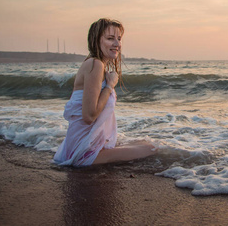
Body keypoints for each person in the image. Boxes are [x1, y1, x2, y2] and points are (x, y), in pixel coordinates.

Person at [54, 18, 157, 166]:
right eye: (110, 38)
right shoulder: (95, 64)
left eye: (119, 39)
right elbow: (89, 116)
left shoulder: (94, 64)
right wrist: (110, 86)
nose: (117, 44)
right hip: (83, 152)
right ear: (96, 40)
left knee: (145, 142)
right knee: (153, 148)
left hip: (83, 144)